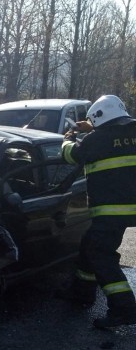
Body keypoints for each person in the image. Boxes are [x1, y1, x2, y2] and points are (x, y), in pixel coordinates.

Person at [59, 94, 136, 328]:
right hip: (129, 208)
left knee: (101, 254)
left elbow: (70, 154)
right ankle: (82, 293)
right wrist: (91, 126)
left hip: (113, 210)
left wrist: (68, 136)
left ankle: (124, 308)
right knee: (89, 245)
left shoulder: (96, 139)